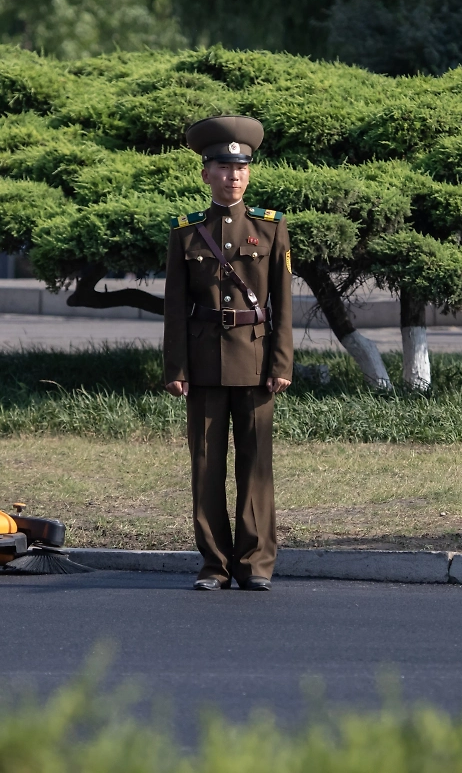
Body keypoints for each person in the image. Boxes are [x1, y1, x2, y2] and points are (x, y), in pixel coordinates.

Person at [162, 114, 294, 592]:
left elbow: (283, 303)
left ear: (248, 175)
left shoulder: (271, 229)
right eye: (222, 167)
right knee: (206, 465)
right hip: (202, 364)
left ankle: (255, 564)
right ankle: (215, 564)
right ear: (206, 174)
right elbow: (175, 307)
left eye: (240, 168)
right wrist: (176, 367)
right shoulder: (186, 233)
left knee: (256, 466)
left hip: (256, 362)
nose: (232, 176)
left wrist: (281, 363)